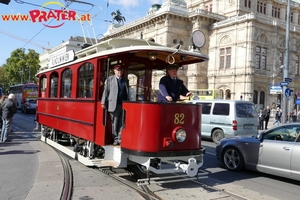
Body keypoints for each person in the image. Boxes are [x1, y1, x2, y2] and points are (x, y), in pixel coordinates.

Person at [101, 64, 129, 145]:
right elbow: (106, 91)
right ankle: (116, 139)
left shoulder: (125, 80)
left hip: (124, 105)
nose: (119, 72)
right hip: (114, 104)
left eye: (121, 70)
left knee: (122, 122)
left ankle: (120, 139)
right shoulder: (110, 79)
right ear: (114, 71)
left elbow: (128, 92)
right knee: (115, 122)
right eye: (118, 70)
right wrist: (103, 102)